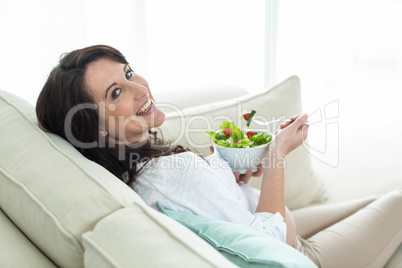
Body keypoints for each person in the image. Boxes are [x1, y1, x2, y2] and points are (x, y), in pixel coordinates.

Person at [36, 45, 402, 267]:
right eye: (116, 92)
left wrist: (227, 174)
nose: (139, 88)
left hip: (285, 222)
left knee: (372, 202)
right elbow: (266, 245)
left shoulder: (133, 168)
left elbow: (210, 211)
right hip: (297, 253)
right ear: (95, 129)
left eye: (129, 72)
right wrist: (277, 152)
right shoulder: (167, 174)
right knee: (398, 204)